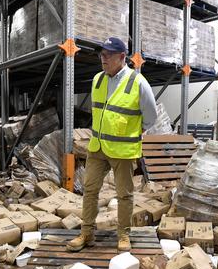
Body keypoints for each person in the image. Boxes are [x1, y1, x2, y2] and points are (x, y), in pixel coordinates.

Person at [67, 37, 158, 252]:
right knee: (89, 190)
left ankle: (124, 235)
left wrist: (134, 131)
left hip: (122, 150)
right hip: (97, 147)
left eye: (108, 54)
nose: (103, 58)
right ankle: (86, 234)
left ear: (122, 57)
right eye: (101, 54)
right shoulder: (98, 79)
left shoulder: (138, 82)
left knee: (124, 195)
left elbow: (151, 117)